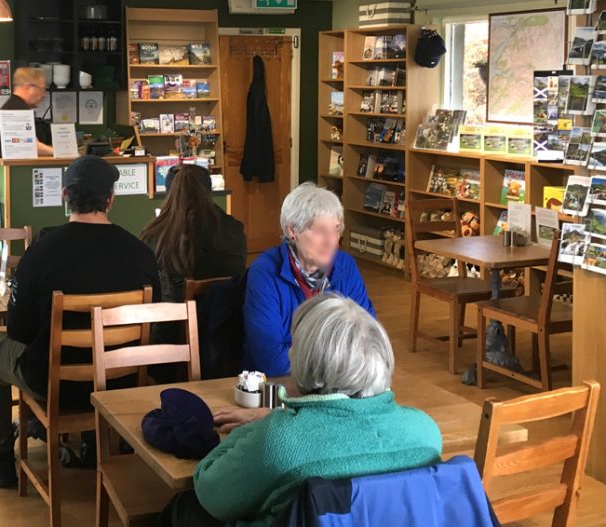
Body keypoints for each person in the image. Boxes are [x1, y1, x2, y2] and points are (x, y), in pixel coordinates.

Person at [160, 294, 443, 527]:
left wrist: (269, 422)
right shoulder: (426, 432)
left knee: (184, 507)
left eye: (296, 345)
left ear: (307, 361)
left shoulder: (281, 440)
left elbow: (211, 491)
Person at [0, 155, 161, 488]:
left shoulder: (40, 254)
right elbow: (151, 322)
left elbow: (19, 332)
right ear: (111, 200)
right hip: (120, 380)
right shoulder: (141, 253)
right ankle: (90, 446)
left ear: (65, 197)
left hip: (54, 383)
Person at [243, 182, 374, 376]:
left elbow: (368, 339)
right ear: (292, 231)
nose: (331, 241)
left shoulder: (345, 266)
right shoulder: (264, 273)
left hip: (337, 386)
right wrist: (336, 365)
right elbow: (271, 360)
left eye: (336, 230)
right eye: (320, 230)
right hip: (279, 387)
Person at [140, 164, 246, 303]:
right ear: (208, 190)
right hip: (227, 318)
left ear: (169, 193)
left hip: (174, 320)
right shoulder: (233, 229)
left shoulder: (154, 236)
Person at [0, 67, 53, 157]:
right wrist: (57, 152)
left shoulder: (15, 106)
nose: (43, 95)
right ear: (29, 87)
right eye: (41, 89)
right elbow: (29, 146)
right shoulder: (16, 111)